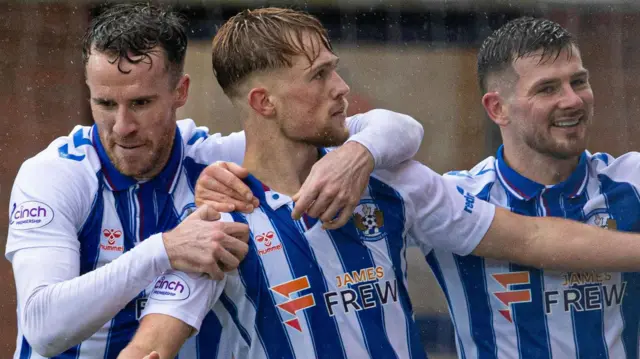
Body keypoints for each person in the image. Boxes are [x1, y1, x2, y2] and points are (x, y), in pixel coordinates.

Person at [118, 8, 640, 359]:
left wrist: (359, 153)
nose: (342, 88)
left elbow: (529, 237)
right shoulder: (217, 226)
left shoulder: (392, 183)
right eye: (320, 75)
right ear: (263, 103)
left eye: (335, 70)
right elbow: (149, 348)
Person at [6, 4, 426, 359]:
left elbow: (397, 129)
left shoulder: (212, 157)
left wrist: (356, 155)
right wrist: (165, 249)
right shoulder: (55, 175)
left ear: (180, 91)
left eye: (141, 103)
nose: (122, 126)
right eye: (104, 104)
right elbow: (44, 327)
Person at [428, 17, 640, 358]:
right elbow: (390, 130)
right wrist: (359, 151)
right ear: (497, 108)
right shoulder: (455, 198)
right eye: (548, 88)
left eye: (579, 81)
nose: (573, 100)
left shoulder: (631, 181)